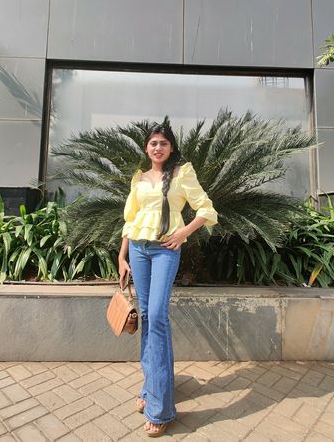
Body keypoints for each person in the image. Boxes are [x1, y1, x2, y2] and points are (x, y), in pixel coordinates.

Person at [117, 122, 218, 437]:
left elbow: (206, 209)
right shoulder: (139, 179)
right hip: (137, 249)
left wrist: (183, 232)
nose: (157, 147)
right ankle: (151, 387)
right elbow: (130, 219)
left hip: (164, 251)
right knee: (148, 316)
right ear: (146, 148)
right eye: (152, 143)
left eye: (163, 143)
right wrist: (121, 256)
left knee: (157, 316)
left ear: (171, 147)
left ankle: (160, 409)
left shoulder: (182, 175)